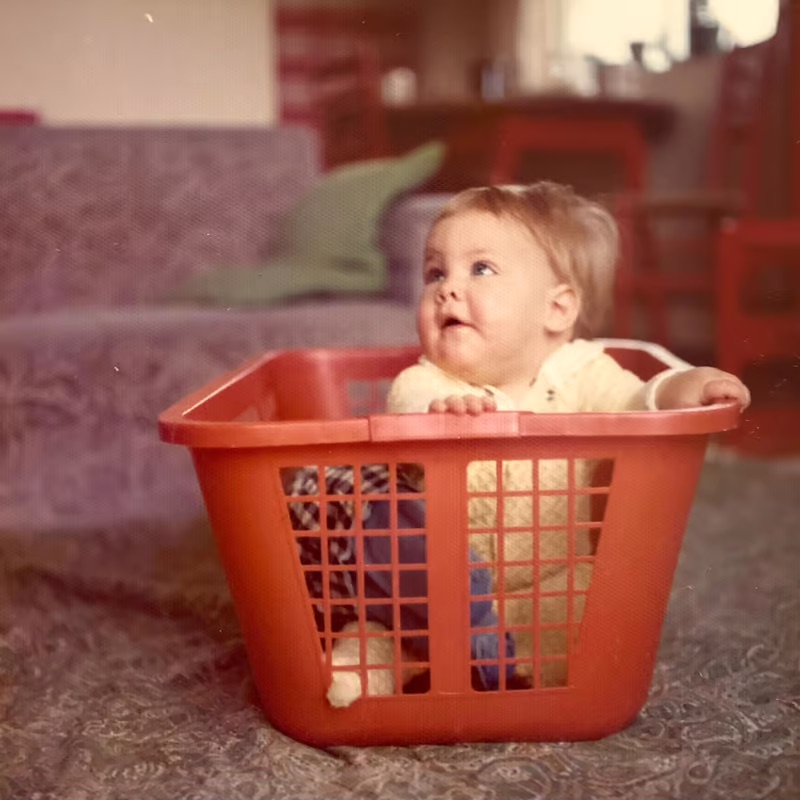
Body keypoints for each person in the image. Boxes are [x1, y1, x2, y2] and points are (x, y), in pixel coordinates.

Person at [381, 181, 750, 688]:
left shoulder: (581, 370)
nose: (446, 287)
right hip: (438, 588)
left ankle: (534, 671)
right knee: (381, 618)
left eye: (480, 268)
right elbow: (407, 406)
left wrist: (682, 386)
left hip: (547, 578)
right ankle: (381, 673)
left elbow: (634, 402)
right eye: (435, 272)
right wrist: (440, 411)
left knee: (595, 611)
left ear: (556, 310)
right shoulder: (429, 379)